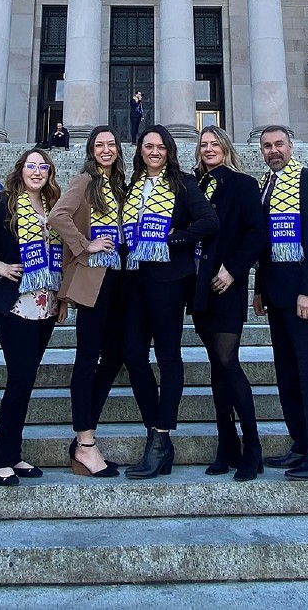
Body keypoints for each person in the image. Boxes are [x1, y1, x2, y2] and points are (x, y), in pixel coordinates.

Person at [119, 124, 217, 479]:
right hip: (133, 279)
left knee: (168, 356)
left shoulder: (184, 184)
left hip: (168, 280)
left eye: (161, 146)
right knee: (132, 354)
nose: (155, 151)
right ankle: (154, 430)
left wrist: (175, 240)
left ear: (169, 150)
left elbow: (209, 221)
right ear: (140, 150)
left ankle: (160, 439)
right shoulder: (130, 186)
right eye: (148, 146)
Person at [0, 148, 62, 486]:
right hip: (15, 304)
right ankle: (1, 459)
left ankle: (14, 454)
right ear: (20, 171)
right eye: (30, 166)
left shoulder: (52, 205)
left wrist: (61, 298)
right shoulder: (5, 202)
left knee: (26, 379)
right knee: (19, 379)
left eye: (42, 167)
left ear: (49, 172)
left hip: (45, 304)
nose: (36, 172)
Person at [253, 125, 308, 480]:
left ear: (291, 146)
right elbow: (265, 244)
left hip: (304, 296)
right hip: (276, 295)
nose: (274, 151)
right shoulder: (264, 186)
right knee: (288, 373)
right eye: (267, 146)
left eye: (279, 144)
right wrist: (259, 288)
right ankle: (300, 444)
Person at [50, 125, 129, 477]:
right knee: (87, 358)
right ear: (91, 150)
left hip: (120, 280)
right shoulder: (85, 180)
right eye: (100, 145)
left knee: (115, 356)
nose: (106, 149)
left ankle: (85, 428)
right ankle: (85, 442)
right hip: (93, 279)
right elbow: (57, 216)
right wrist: (85, 244)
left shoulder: (121, 184)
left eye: (111, 144)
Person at [192, 125, 267, 481]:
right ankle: (227, 445)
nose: (208, 149)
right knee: (215, 365)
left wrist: (233, 270)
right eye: (203, 144)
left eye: (214, 143)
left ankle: (252, 446)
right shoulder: (192, 186)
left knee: (227, 360)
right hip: (200, 288)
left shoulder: (243, 184)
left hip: (228, 285)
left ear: (225, 147)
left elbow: (257, 233)